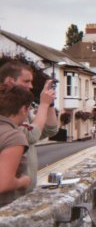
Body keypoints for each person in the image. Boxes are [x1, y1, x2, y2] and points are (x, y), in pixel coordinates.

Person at [0, 61, 58, 192]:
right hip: (9, 198)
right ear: (10, 81)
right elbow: (31, 136)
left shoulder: (21, 107)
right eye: (26, 81)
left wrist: (50, 104)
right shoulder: (6, 109)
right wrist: (43, 104)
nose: (30, 86)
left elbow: (49, 130)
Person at [0, 84, 34, 207]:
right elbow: (4, 183)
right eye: (29, 109)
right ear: (24, 109)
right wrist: (24, 181)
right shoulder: (13, 136)